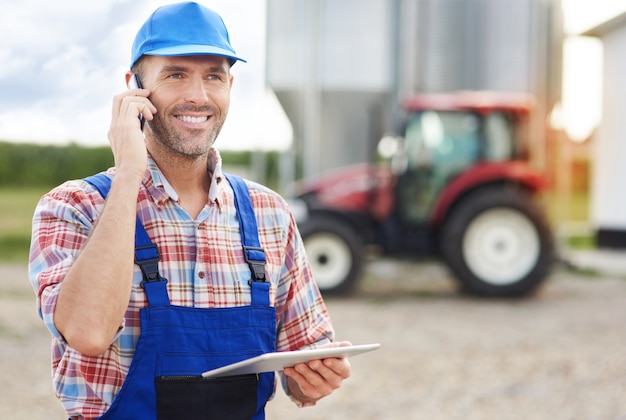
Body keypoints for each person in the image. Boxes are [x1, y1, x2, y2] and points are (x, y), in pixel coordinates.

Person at [28, 2, 351, 419]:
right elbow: (87, 333)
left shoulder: (270, 213)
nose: (198, 96)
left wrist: (314, 377)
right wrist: (129, 174)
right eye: (176, 74)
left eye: (213, 76)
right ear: (134, 88)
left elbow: (303, 364)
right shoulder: (74, 207)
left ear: (230, 86)